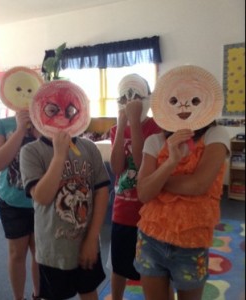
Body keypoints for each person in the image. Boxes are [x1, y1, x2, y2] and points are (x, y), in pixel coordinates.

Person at [134, 65, 230, 300]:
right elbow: (144, 193)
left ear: (206, 102)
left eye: (193, 101)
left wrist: (157, 181)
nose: (184, 106)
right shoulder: (155, 141)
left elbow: (199, 185)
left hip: (192, 241)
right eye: (175, 100)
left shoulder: (215, 136)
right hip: (151, 239)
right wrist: (169, 163)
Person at [20, 80, 110, 300]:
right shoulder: (31, 152)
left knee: (89, 291)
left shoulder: (88, 147)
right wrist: (59, 156)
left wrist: (92, 239)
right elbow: (41, 196)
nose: (61, 115)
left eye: (69, 109)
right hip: (52, 251)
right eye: (52, 109)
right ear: (40, 112)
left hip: (86, 243)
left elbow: (101, 192)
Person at [109, 74, 174, 300]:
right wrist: (120, 125)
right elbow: (117, 167)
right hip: (122, 210)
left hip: (151, 212)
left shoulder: (158, 128)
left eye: (137, 95)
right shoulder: (116, 129)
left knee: (156, 270)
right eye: (126, 97)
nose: (131, 101)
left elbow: (140, 162)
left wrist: (134, 123)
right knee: (120, 265)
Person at [0, 111, 40, 300]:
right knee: (17, 254)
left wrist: (39, 133)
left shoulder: (45, 123)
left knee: (40, 254)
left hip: (42, 202)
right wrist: (19, 130)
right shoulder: (1, 125)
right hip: (12, 202)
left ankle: (38, 295)